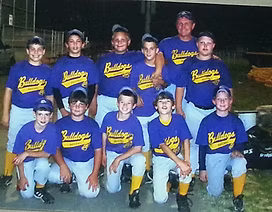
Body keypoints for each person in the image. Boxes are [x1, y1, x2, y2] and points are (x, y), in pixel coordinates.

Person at [175, 31, 233, 186]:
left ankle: (219, 171)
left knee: (215, 143)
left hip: (215, 111)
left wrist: (227, 109)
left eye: (209, 43)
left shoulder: (219, 65)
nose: (205, 46)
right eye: (202, 42)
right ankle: (190, 173)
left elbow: (228, 88)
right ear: (197, 45)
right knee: (192, 143)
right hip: (194, 109)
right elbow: (180, 87)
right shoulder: (189, 63)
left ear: (213, 45)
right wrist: (179, 108)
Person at [0, 36, 52, 188]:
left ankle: (39, 177)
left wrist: (50, 113)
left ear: (43, 51)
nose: (36, 52)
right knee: (13, 141)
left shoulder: (47, 71)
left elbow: (49, 95)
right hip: (18, 109)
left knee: (38, 141)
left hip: (38, 112)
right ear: (27, 51)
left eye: (39, 49)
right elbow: (8, 90)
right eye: (32, 49)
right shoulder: (18, 68)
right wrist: (5, 113)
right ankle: (7, 174)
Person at [95, 24, 163, 127]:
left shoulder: (135, 56)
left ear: (129, 42)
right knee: (102, 130)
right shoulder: (104, 59)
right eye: (116, 40)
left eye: (123, 40)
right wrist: (93, 100)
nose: (119, 42)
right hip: (105, 100)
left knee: (124, 131)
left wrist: (158, 71)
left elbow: (159, 54)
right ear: (112, 42)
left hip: (126, 100)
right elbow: (96, 82)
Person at [196, 86, 247, 212]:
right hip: (214, 156)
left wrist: (237, 150)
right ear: (214, 101)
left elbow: (241, 142)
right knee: (215, 193)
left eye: (225, 99)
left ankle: (238, 196)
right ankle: (221, 177)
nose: (222, 102)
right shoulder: (206, 121)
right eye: (219, 99)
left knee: (241, 162)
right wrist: (202, 169)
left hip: (230, 155)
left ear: (231, 101)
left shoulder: (236, 121)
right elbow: (202, 147)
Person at [48, 87, 102, 198]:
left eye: (81, 104)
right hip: (67, 160)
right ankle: (70, 176)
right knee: (48, 176)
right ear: (69, 105)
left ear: (87, 107)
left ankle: (77, 177)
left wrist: (94, 174)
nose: (77, 106)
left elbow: (98, 151)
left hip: (85, 162)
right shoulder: (60, 124)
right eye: (74, 103)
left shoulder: (93, 125)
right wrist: (63, 165)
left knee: (91, 193)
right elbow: (55, 148)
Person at [130, 33, 169, 182]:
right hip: (140, 111)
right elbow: (132, 86)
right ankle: (146, 169)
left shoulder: (162, 67)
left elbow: (166, 83)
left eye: (151, 49)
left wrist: (161, 83)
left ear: (156, 50)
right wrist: (135, 95)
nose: (148, 52)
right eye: (145, 49)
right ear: (142, 50)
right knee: (143, 142)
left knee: (157, 140)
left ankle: (157, 167)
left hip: (155, 112)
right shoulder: (137, 67)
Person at [101, 87, 145, 208]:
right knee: (112, 190)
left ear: (134, 106)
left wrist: (118, 159)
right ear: (117, 103)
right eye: (122, 102)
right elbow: (104, 134)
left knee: (141, 160)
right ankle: (117, 173)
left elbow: (138, 148)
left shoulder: (135, 122)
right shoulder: (109, 117)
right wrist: (103, 153)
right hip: (112, 152)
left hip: (129, 153)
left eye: (129, 103)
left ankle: (134, 192)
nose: (125, 106)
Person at [148, 91, 192, 212]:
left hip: (177, 154)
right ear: (156, 106)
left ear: (173, 106)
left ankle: (182, 196)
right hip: (161, 158)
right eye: (160, 102)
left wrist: (186, 161)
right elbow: (163, 146)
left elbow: (186, 139)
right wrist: (180, 162)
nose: (164, 104)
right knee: (160, 199)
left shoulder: (178, 119)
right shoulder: (153, 124)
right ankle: (170, 182)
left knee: (187, 172)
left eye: (167, 101)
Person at [12, 98, 57, 204]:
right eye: (40, 114)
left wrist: (27, 153)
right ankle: (21, 176)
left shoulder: (52, 129)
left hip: (38, 158)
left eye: (46, 114)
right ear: (34, 114)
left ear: (51, 116)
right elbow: (19, 158)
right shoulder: (25, 130)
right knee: (27, 195)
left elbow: (47, 153)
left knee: (44, 165)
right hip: (24, 162)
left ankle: (40, 186)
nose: (43, 118)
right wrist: (22, 177)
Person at [49, 29, 98, 119]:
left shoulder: (89, 63)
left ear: (83, 44)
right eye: (71, 41)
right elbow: (55, 89)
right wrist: (62, 109)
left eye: (78, 41)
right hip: (65, 102)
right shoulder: (60, 64)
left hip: (83, 100)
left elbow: (92, 87)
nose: (75, 44)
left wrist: (87, 105)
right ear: (67, 45)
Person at [159, 11, 198, 97]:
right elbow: (155, 59)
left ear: (193, 26)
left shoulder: (200, 43)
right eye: (180, 23)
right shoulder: (166, 43)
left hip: (193, 87)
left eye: (186, 23)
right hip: (171, 87)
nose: (183, 26)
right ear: (176, 26)